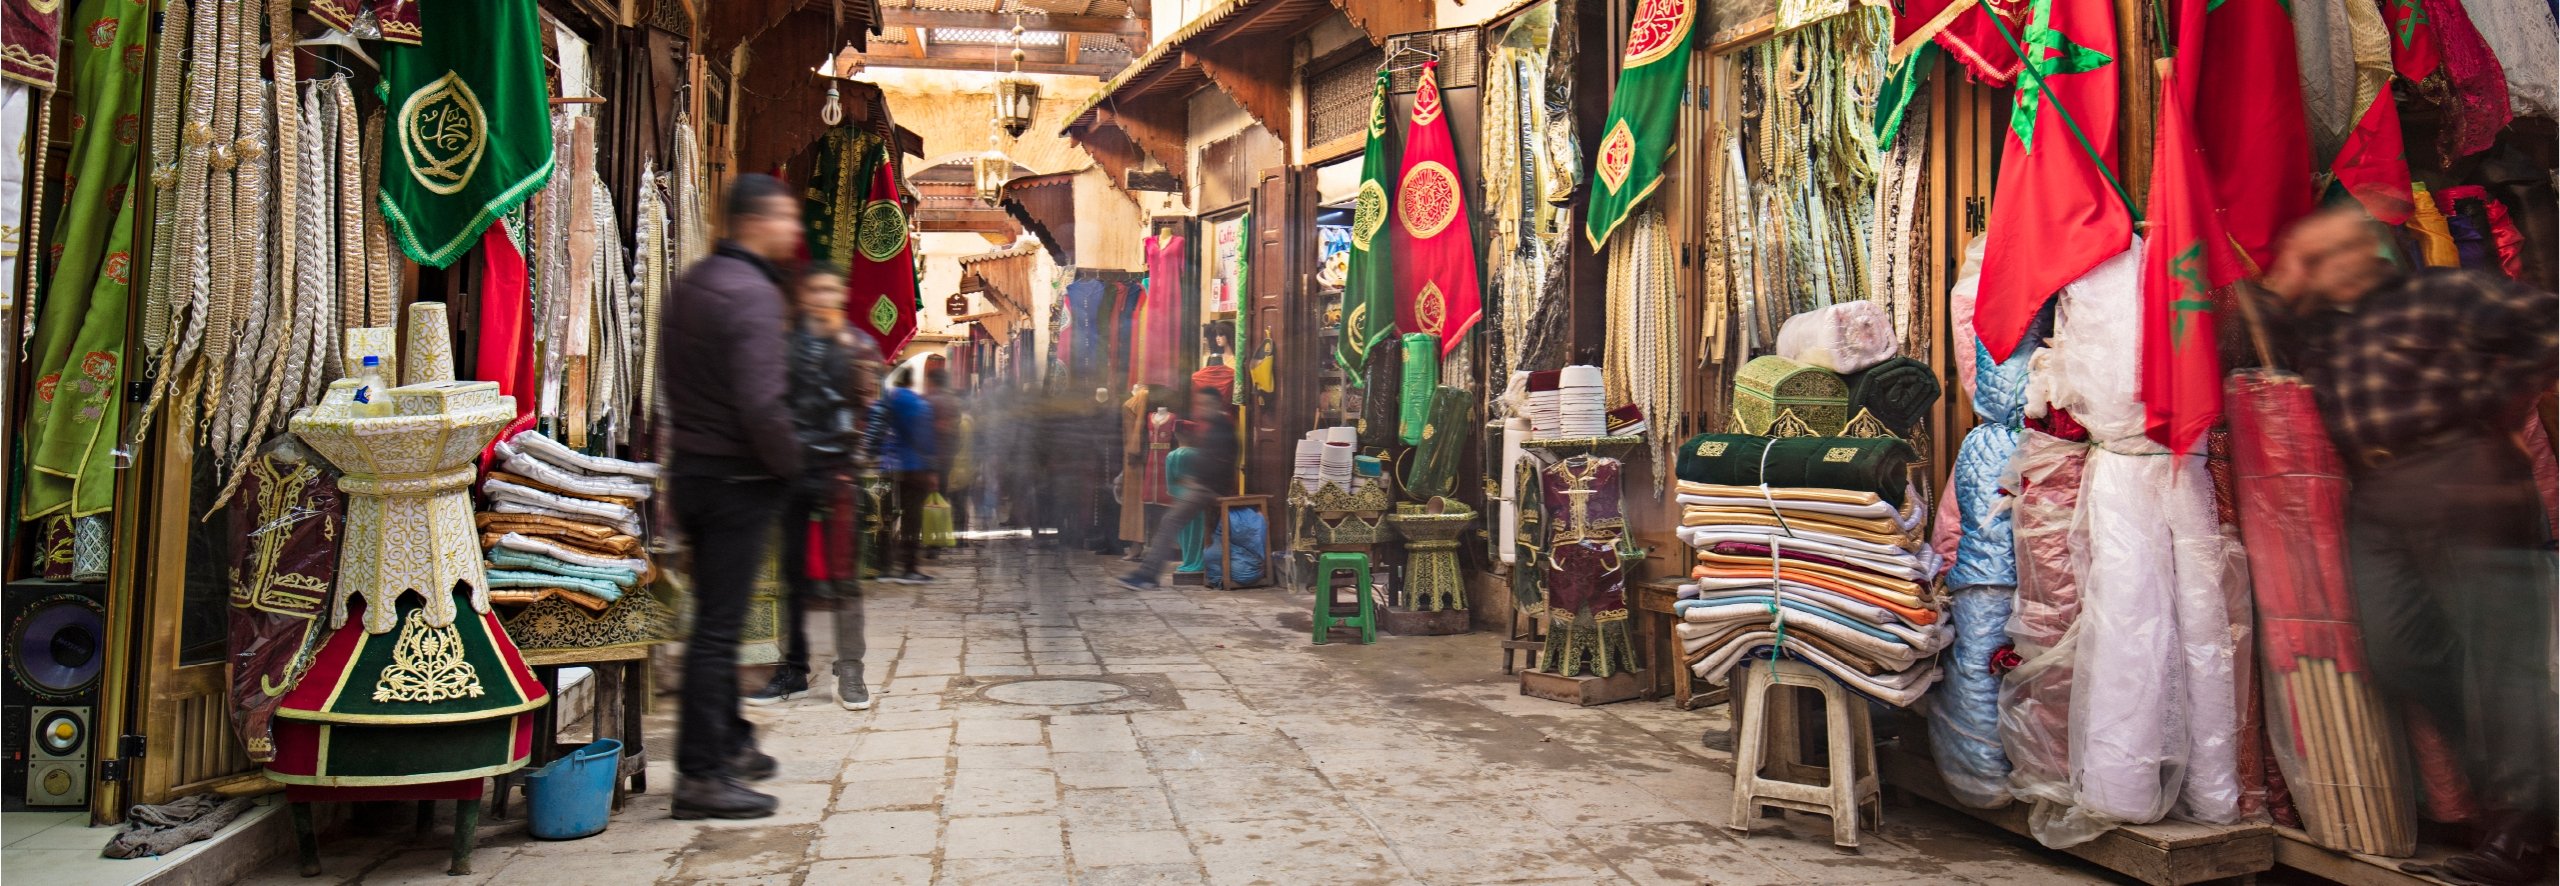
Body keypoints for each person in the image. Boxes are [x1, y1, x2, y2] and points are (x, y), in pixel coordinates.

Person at [2264, 206, 2557, 885]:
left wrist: (2499, 403)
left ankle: (2517, 836)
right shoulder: (2321, 328)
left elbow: (2548, 323)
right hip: (2380, 495)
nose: (2320, 269)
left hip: (2466, 480)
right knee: (2397, 652)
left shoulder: (2445, 293)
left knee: (2502, 664)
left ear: (2371, 254)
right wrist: (2290, 271)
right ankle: (2518, 784)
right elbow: (2246, 315)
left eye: (2332, 253)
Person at [662, 173, 804, 820]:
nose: (795, 232)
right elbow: (761, 405)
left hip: (691, 472)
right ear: (758, 221)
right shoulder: (752, 294)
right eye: (787, 219)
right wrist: (791, 466)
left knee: (710, 621)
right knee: (719, 630)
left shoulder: (691, 286)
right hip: (735, 481)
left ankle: (730, 740)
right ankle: (700, 775)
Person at [750, 262, 883, 711]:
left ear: (841, 296)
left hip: (839, 475)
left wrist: (854, 457)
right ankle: (793, 669)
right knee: (792, 577)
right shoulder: (785, 345)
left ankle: (852, 669)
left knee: (845, 579)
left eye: (831, 290)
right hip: (792, 475)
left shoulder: (858, 345)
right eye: (816, 289)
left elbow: (873, 411)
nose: (824, 298)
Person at [1115, 386, 1236, 590]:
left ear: (1215, 404)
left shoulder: (1223, 428)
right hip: (1203, 484)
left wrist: (1197, 480)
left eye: (1206, 404)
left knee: (1170, 520)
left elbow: (1221, 462)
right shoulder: (1213, 426)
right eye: (1200, 404)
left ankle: (1148, 575)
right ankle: (1148, 573)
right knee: (1170, 520)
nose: (1202, 408)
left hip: (1209, 488)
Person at [869, 367, 937, 583]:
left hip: (888, 465)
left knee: (885, 516)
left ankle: (885, 567)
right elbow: (925, 438)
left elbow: (875, 425)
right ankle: (909, 568)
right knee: (912, 518)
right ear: (912, 381)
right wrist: (931, 466)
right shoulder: (918, 404)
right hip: (913, 467)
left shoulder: (886, 399)